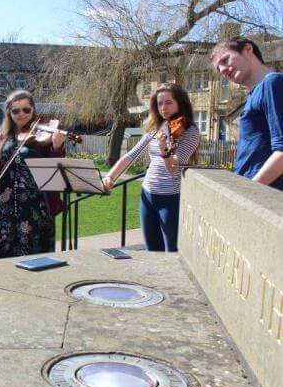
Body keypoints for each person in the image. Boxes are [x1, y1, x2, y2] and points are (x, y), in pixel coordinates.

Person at [102, 83, 199, 252]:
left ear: (180, 103)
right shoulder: (156, 127)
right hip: (147, 196)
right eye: (160, 103)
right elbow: (131, 155)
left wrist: (164, 151)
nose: (163, 108)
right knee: (152, 249)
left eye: (168, 102)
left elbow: (173, 169)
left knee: (172, 252)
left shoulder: (190, 132)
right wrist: (110, 177)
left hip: (170, 199)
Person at [0, 89, 66, 260]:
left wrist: (56, 147)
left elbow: (56, 170)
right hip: (4, 209)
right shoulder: (1, 135)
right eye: (15, 110)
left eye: (26, 109)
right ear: (9, 112)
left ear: (33, 110)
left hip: (36, 209)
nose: (21, 114)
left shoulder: (43, 135)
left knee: (34, 262)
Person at [211, 37, 283, 190]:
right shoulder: (254, 94)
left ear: (248, 49)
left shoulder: (272, 83)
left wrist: (250, 190)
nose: (223, 70)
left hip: (264, 197)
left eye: (225, 60)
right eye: (219, 69)